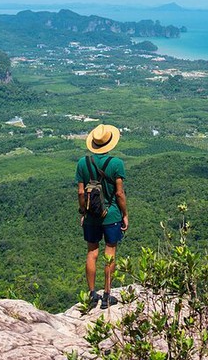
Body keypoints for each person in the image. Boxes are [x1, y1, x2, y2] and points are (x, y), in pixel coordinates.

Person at [75, 124, 129, 309]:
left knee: (92, 253)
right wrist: (125, 214)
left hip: (91, 216)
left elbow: (81, 193)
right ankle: (107, 295)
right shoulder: (116, 164)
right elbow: (120, 194)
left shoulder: (83, 162)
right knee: (110, 252)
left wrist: (83, 212)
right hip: (112, 215)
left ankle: (91, 295)